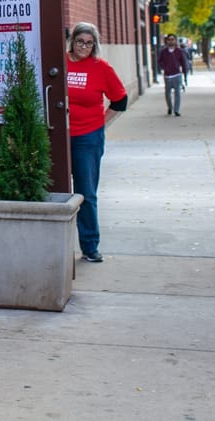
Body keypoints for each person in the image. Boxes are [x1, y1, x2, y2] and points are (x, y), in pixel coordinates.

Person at [64, 22, 128, 264]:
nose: (85, 47)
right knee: (55, 189)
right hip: (59, 136)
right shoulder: (61, 63)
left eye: (90, 43)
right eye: (80, 41)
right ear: (73, 42)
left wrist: (100, 123)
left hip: (87, 137)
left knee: (86, 192)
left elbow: (120, 100)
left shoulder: (101, 68)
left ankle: (90, 246)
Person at [158, 34, 188, 116]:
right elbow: (159, 61)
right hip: (167, 76)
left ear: (175, 40)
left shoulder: (179, 51)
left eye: (172, 39)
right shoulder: (163, 52)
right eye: (169, 39)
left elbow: (183, 63)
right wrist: (164, 67)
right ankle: (170, 108)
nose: (171, 41)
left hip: (177, 75)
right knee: (167, 93)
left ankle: (176, 110)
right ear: (167, 41)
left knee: (177, 93)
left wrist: (185, 75)